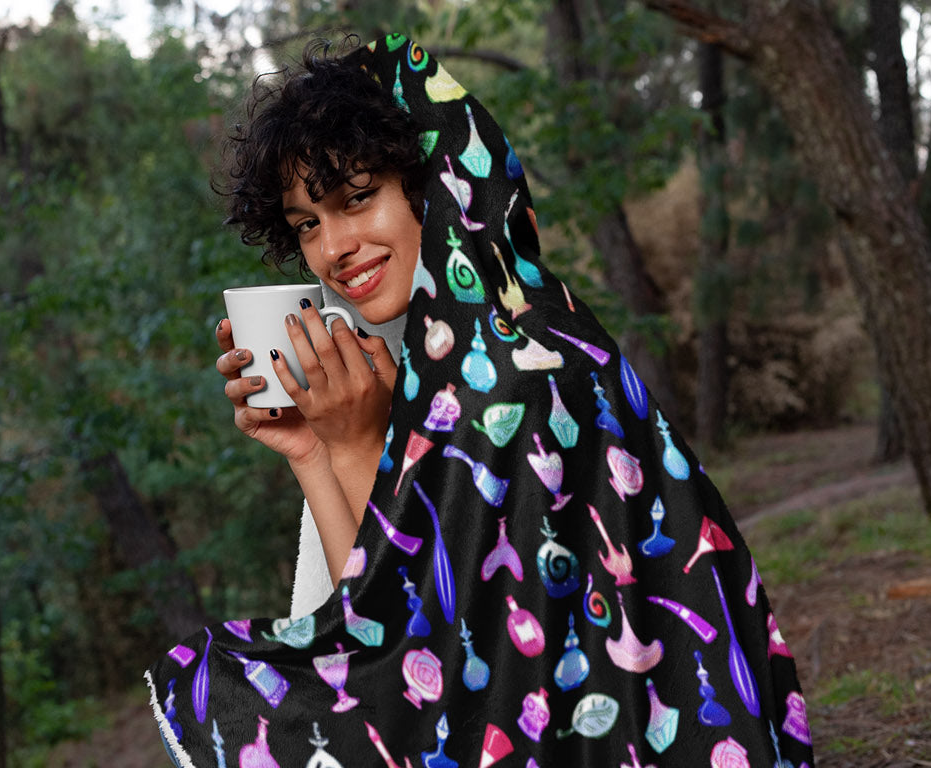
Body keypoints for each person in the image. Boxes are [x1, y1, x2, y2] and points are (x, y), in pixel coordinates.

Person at [148, 35, 815, 768]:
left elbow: (429, 677)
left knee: (228, 684)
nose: (333, 247)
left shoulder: (522, 371)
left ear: (435, 186)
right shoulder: (447, 359)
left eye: (358, 198)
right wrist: (316, 449)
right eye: (308, 223)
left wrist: (355, 445)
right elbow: (378, 632)